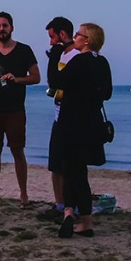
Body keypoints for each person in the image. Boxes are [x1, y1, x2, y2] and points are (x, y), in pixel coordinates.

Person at [47, 22, 112, 238]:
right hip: (91, 124)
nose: (75, 37)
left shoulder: (80, 60)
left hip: (72, 123)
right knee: (79, 171)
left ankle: (76, 217)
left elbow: (55, 81)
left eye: (79, 34)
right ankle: (79, 218)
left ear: (87, 40)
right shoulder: (102, 63)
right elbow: (107, 93)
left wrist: (55, 55)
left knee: (71, 171)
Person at [0, 12, 40, 207]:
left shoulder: (24, 50)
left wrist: (17, 79)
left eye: (4, 25)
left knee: (17, 151)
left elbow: (36, 77)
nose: (1, 29)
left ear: (11, 27)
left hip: (15, 111)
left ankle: (24, 196)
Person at [40, 16, 77, 223]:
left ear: (62, 35)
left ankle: (72, 206)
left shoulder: (77, 56)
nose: (50, 42)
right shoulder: (59, 56)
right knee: (55, 163)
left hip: (72, 118)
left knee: (71, 165)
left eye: (52, 37)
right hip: (58, 115)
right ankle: (59, 204)